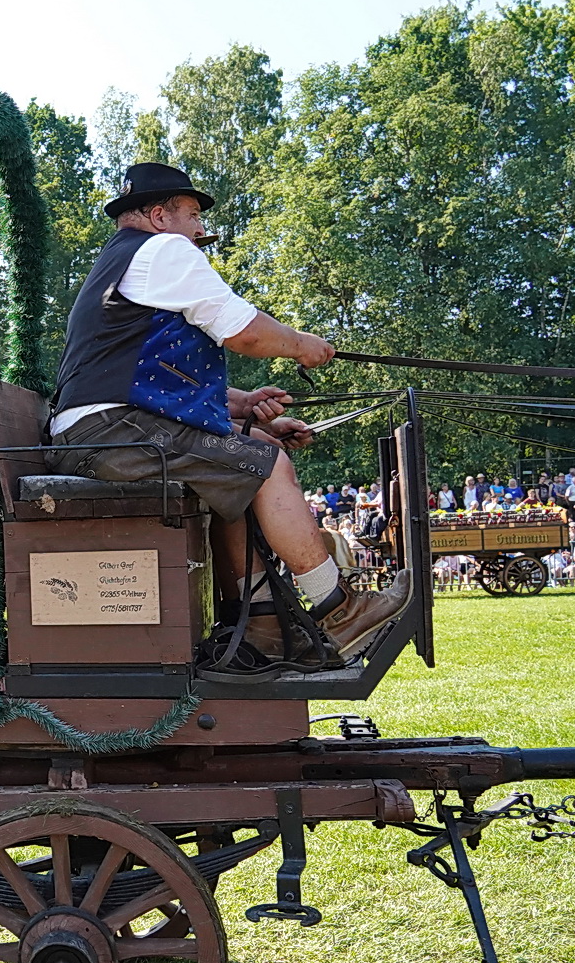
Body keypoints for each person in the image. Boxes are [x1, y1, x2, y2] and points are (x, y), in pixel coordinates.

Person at [45, 162, 409, 662]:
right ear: (158, 215)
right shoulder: (164, 250)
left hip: (102, 431)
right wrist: (302, 344)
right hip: (113, 433)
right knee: (266, 465)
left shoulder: (121, 260)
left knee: (252, 453)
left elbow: (152, 372)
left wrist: (245, 408)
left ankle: (260, 625)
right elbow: (246, 333)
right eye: (193, 215)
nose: (201, 230)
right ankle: (340, 608)